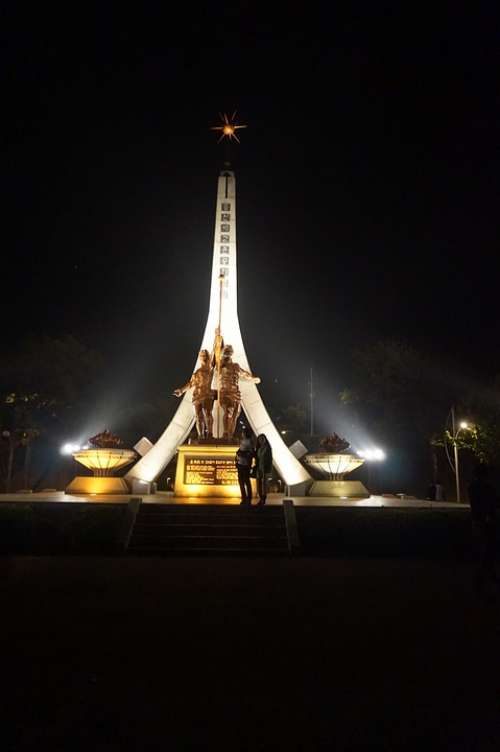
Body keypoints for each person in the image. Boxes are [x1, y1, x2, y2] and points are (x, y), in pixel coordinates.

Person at [467, 464, 499, 592]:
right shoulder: (487, 487)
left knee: (485, 548)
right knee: (488, 549)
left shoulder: (472, 487)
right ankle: (481, 578)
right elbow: (494, 502)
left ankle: (488, 575)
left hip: (477, 520)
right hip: (487, 521)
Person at [235, 432, 254, 506]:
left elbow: (250, 453)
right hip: (240, 464)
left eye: (243, 432)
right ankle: (244, 498)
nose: (242, 433)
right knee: (241, 483)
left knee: (246, 482)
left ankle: (248, 499)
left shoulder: (250, 442)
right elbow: (239, 451)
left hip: (245, 465)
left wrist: (243, 454)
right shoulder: (242, 441)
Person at [255, 434, 272, 507]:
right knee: (258, 484)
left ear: (265, 439)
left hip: (265, 468)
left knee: (264, 485)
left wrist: (267, 468)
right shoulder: (258, 448)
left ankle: (263, 499)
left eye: (262, 439)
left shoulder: (268, 448)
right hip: (259, 468)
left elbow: (269, 459)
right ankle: (261, 498)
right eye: (260, 439)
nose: (261, 440)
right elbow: (257, 458)